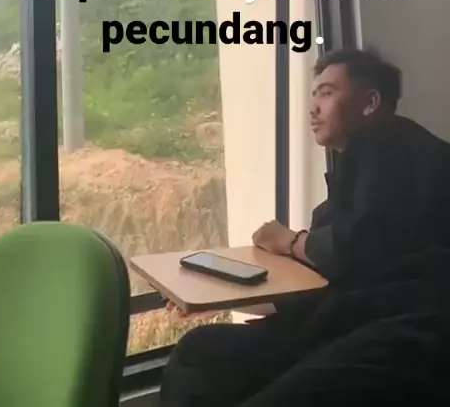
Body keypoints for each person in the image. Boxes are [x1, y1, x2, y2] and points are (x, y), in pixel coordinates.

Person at [160, 47, 450, 406]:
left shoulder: (388, 139)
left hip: (405, 329)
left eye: (326, 93)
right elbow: (334, 283)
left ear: (370, 102)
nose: (313, 108)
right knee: (199, 353)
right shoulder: (355, 188)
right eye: (313, 95)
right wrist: (217, 300)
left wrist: (289, 240)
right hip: (349, 322)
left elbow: (351, 252)